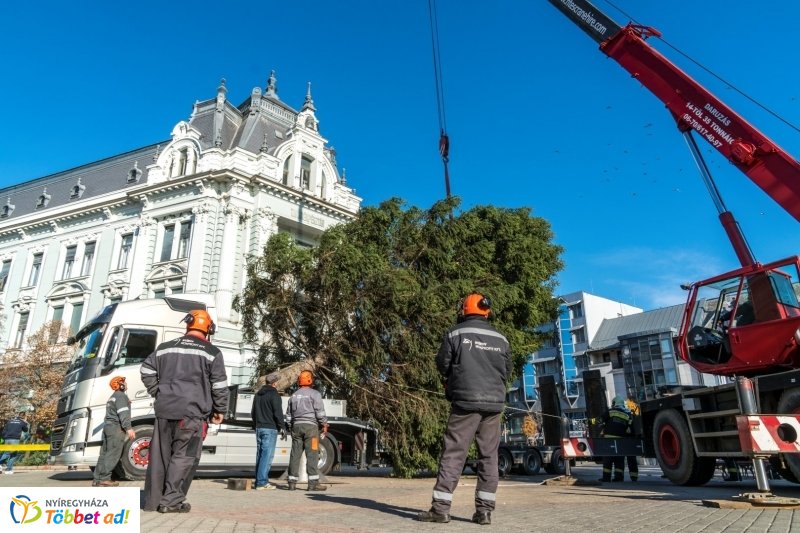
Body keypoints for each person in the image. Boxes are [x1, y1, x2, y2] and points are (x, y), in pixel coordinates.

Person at [417, 293, 512, 526]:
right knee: (489, 457)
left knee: (454, 454)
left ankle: (440, 509)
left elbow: (442, 364)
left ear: (464, 310)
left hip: (465, 404)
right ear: (486, 311)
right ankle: (484, 512)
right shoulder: (501, 339)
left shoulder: (455, 334)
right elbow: (507, 370)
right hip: (494, 405)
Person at [141, 309, 228, 513]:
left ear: (188, 324)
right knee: (184, 457)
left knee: (160, 456)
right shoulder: (212, 352)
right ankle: (171, 502)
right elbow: (219, 385)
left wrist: (159, 391)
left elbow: (146, 370)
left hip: (164, 411)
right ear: (209, 328)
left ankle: (153, 502)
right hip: (192, 414)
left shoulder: (164, 348)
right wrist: (219, 409)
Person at [285, 370, 328, 491]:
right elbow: (320, 413)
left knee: (295, 454)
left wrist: (290, 426)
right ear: (310, 380)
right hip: (311, 429)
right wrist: (324, 423)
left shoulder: (293, 396)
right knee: (312, 454)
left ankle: (292, 483)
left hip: (296, 428)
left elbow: (288, 415)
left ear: (299, 381)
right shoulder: (315, 394)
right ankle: (313, 484)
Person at [92, 376, 136, 487]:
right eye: (124, 383)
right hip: (116, 428)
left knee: (104, 454)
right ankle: (105, 478)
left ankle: (97, 479)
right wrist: (128, 428)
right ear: (120, 385)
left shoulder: (112, 397)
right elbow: (123, 413)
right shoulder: (121, 396)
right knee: (113, 454)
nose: (125, 384)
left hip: (108, 427)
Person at [251, 372, 285, 490]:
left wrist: (256, 425)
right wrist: (283, 427)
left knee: (260, 455)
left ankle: (259, 481)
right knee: (267, 456)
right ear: (275, 383)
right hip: (270, 428)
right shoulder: (274, 395)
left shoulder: (258, 395)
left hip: (259, 427)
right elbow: (278, 413)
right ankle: (262, 482)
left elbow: (253, 412)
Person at [599, 395, 634, 483]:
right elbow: (630, 426)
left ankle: (606, 478)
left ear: (615, 403)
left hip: (609, 440)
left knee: (608, 460)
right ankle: (619, 477)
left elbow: (600, 419)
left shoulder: (610, 412)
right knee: (619, 460)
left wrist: (590, 421)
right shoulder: (627, 414)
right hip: (621, 440)